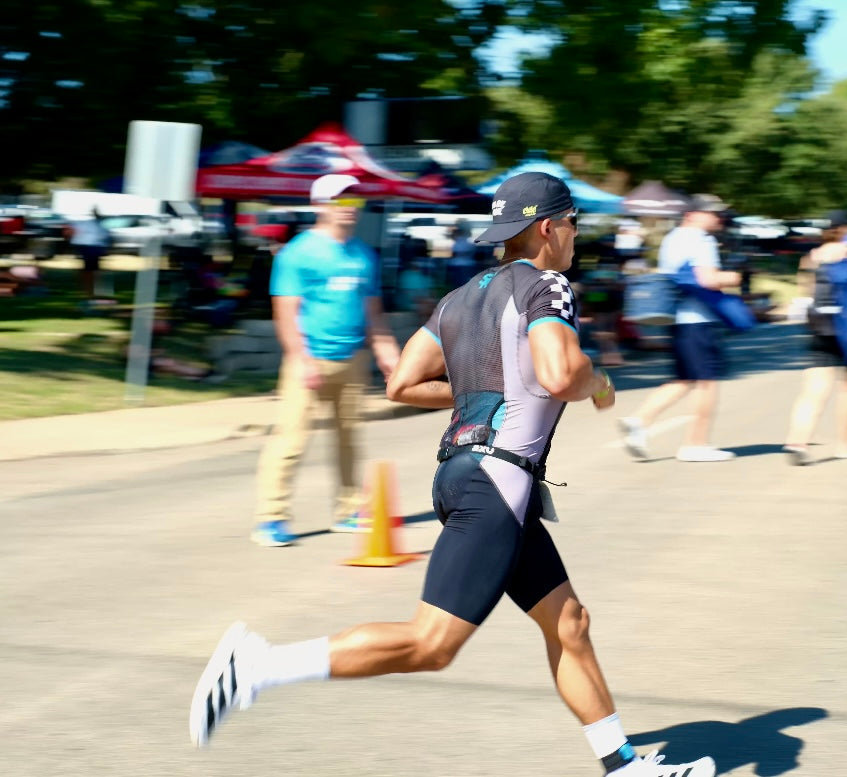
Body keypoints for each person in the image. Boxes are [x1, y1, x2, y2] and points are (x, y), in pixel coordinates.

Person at [189, 172, 716, 777]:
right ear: (549, 227)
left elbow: (401, 383)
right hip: (497, 484)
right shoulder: (548, 285)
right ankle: (257, 666)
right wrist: (595, 380)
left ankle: (622, 765)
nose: (576, 235)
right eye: (574, 223)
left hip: (469, 477)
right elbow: (557, 374)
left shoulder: (461, 296)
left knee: (568, 622)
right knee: (431, 644)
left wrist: (480, 391)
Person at [251, 174, 401, 546]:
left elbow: (373, 312)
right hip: (309, 359)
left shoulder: (363, 255)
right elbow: (285, 313)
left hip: (352, 359)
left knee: (349, 439)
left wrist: (387, 351)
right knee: (290, 441)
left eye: (354, 202)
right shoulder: (297, 253)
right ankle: (271, 518)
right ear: (319, 205)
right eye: (341, 201)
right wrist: (301, 358)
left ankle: (348, 512)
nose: (349, 209)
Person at [617, 194, 743, 462]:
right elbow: (707, 279)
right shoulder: (702, 239)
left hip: (677, 318)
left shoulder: (672, 238)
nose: (718, 218)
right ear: (692, 214)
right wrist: (733, 277)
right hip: (697, 319)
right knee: (707, 383)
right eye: (713, 213)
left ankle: (638, 421)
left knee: (684, 379)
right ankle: (695, 444)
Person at [783, 211, 847, 464]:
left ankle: (797, 442)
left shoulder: (811, 257)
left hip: (820, 325)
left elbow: (805, 291)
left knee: (813, 388)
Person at [69, 207, 110, 299]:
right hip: (91, 249)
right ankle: (90, 291)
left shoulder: (93, 224)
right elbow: (103, 237)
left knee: (89, 271)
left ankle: (89, 290)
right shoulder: (97, 224)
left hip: (89, 248)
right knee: (90, 271)